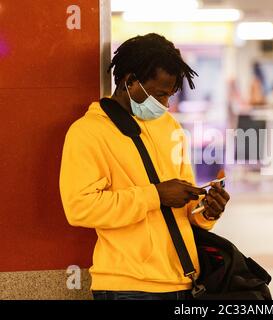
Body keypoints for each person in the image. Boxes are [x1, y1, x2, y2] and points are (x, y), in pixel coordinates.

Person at [59, 33, 230, 300]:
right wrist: (156, 195)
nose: (165, 105)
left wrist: (206, 211)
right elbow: (79, 208)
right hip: (128, 286)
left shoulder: (169, 126)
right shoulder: (87, 132)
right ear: (130, 81)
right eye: (159, 94)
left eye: (170, 95)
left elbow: (184, 208)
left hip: (183, 281)